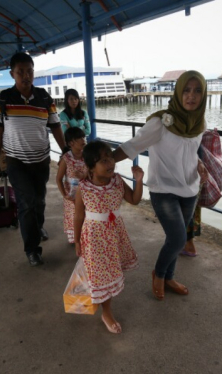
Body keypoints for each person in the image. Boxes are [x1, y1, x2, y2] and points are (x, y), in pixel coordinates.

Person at [112, 71, 210, 301]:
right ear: (178, 92)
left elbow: (190, 149)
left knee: (175, 238)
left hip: (190, 189)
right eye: (186, 90)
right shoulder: (160, 122)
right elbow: (131, 146)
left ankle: (169, 277)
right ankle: (159, 273)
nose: (191, 96)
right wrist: (101, 162)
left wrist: (200, 163)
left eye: (197, 91)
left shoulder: (199, 122)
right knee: (177, 239)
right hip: (163, 188)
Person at [0, 52, 67, 267]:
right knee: (27, 203)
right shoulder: (3, 99)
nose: (26, 76)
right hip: (16, 162)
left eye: (29, 71)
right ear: (12, 74)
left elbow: (56, 127)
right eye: (21, 72)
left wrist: (66, 153)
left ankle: (37, 226)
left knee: (39, 200)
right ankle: (32, 249)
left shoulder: (44, 98)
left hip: (41, 160)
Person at [74, 140, 143, 334]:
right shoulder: (84, 187)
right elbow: (79, 215)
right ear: (90, 167)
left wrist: (138, 180)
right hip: (94, 239)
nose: (110, 163)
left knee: (111, 272)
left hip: (114, 235)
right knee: (100, 276)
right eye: (103, 160)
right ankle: (107, 312)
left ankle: (103, 302)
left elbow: (134, 200)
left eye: (110, 158)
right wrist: (78, 240)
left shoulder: (118, 181)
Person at [55, 127, 88, 244]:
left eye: (83, 137)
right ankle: (77, 239)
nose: (83, 140)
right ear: (70, 143)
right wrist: (64, 195)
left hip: (86, 193)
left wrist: (84, 175)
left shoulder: (88, 156)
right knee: (75, 215)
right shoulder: (66, 159)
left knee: (87, 214)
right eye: (79, 138)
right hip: (72, 195)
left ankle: (86, 237)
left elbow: (94, 173)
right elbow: (58, 179)